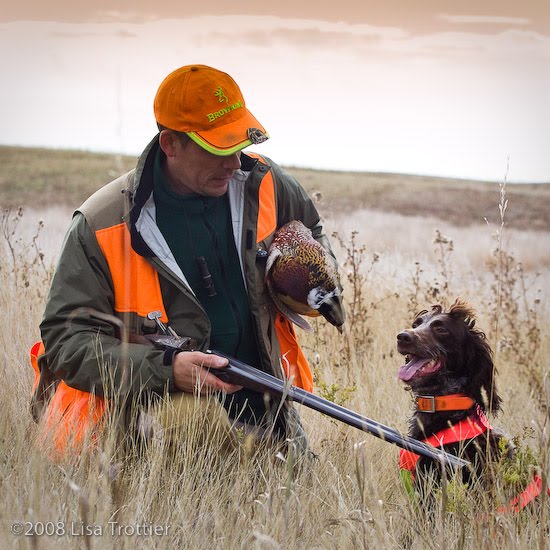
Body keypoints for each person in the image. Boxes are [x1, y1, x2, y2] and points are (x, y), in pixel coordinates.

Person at [31, 64, 341, 458]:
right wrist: (166, 370)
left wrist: (310, 278)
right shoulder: (102, 224)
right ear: (170, 144)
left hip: (265, 396)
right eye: (217, 149)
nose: (234, 162)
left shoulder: (266, 184)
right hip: (155, 412)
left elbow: (311, 231)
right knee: (200, 474)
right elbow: (65, 342)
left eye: (237, 144)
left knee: (299, 502)